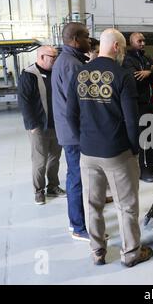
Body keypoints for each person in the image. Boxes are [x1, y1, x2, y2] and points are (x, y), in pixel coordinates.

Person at [66, 28, 152, 267]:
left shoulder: (80, 74)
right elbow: (132, 120)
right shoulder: (122, 75)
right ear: (116, 47)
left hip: (87, 152)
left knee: (92, 204)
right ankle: (131, 253)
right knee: (126, 206)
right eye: (122, 47)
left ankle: (97, 252)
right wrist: (134, 150)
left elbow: (70, 114)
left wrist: (83, 140)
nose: (123, 51)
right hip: (116, 152)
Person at [51, 22, 91, 241]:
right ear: (75, 39)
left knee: (74, 176)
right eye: (86, 36)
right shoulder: (71, 65)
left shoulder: (68, 60)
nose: (89, 40)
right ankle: (78, 226)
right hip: (74, 134)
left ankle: (75, 222)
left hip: (69, 131)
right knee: (76, 178)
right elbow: (80, 103)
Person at [17, 46, 65, 205]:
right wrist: (32, 126)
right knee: (39, 161)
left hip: (56, 124)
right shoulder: (29, 75)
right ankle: (38, 191)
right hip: (38, 126)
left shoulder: (55, 73)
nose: (55, 60)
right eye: (53, 57)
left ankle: (53, 186)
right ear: (42, 57)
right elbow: (24, 103)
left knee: (55, 158)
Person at [122, 32, 153, 182]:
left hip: (151, 103)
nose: (142, 43)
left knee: (152, 136)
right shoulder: (128, 60)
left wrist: (150, 72)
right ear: (131, 42)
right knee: (140, 139)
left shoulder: (147, 58)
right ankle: (142, 169)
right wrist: (152, 71)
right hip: (138, 105)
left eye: (144, 40)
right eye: (139, 41)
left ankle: (151, 165)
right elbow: (135, 77)